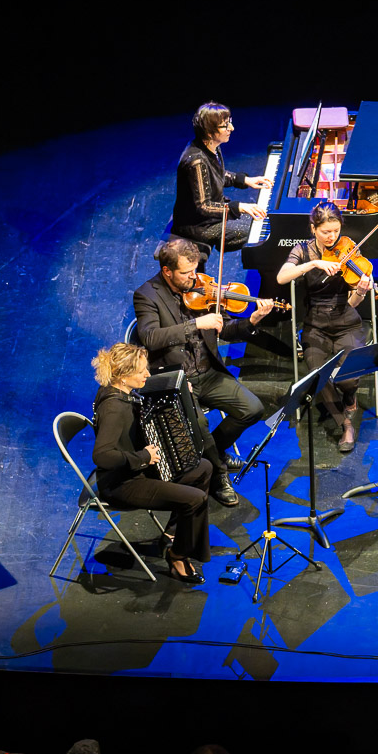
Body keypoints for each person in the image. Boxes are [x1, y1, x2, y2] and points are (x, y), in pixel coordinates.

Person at [133, 237, 277, 506]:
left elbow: (226, 328)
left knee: (253, 409)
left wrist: (252, 321)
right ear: (167, 271)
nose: (193, 277)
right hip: (177, 380)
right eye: (186, 273)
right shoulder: (147, 295)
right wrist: (196, 324)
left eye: (195, 270)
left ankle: (213, 452)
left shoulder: (202, 287)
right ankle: (218, 475)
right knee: (199, 424)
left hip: (208, 372)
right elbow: (150, 338)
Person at [90, 342, 213, 584]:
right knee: (195, 499)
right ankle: (177, 555)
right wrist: (143, 457)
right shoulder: (114, 408)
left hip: (138, 471)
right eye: (141, 371)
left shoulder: (119, 390)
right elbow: (102, 455)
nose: (147, 374)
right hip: (123, 484)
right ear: (123, 376)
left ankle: (174, 534)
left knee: (203, 468)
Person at [276, 201, 374, 452]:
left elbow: (353, 303)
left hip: (346, 320)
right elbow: (282, 276)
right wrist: (313, 264)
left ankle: (350, 396)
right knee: (317, 374)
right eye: (325, 232)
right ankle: (345, 424)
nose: (332, 237)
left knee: (349, 377)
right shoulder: (302, 251)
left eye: (336, 231)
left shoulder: (348, 249)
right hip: (315, 325)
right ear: (313, 229)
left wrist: (361, 292)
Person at [170, 101, 272, 263]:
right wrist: (238, 207)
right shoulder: (196, 162)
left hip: (212, 216)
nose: (232, 128)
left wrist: (244, 180)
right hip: (198, 225)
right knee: (261, 228)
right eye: (225, 126)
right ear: (209, 132)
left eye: (230, 122)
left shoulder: (211, 146)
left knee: (264, 217)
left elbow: (215, 175)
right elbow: (203, 206)